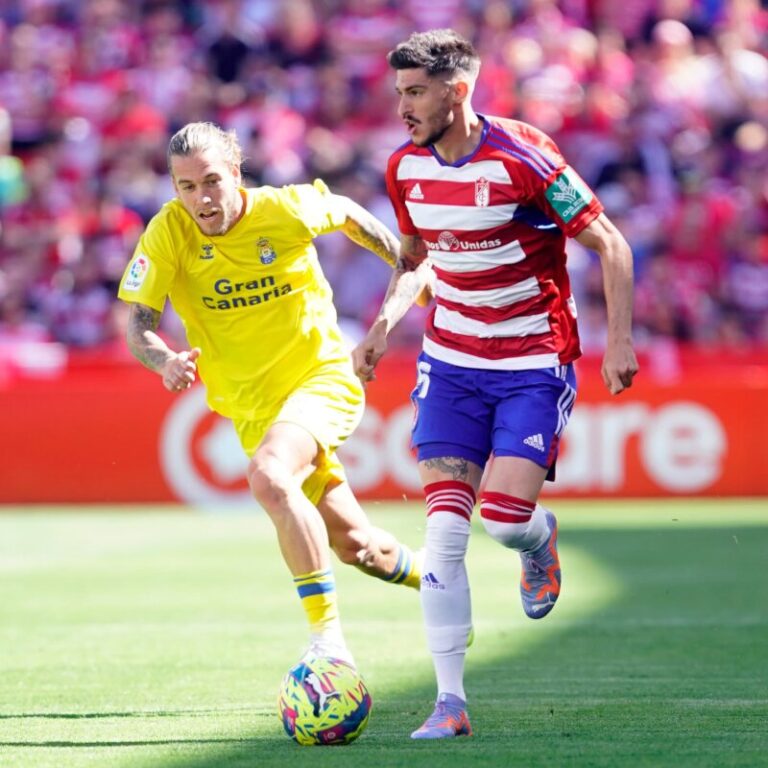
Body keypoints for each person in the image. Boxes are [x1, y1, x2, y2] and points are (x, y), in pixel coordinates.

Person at [352, 29, 639, 739]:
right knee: (444, 532)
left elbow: (611, 244)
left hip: (531, 360)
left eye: (415, 92)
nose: (403, 108)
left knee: (504, 520)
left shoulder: (526, 157)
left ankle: (537, 542)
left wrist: (621, 338)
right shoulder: (404, 168)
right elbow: (418, 259)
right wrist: (385, 323)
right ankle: (450, 703)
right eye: (399, 93)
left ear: (458, 90)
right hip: (451, 362)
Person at [117, 121, 422, 669]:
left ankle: (328, 645)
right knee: (357, 547)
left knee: (268, 475)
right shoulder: (167, 233)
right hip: (255, 409)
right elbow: (138, 325)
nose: (201, 198)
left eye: (211, 180)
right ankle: (442, 584)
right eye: (185, 186)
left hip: (320, 378)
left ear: (235, 174)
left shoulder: (283, 210)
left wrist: (405, 265)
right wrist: (163, 360)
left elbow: (350, 214)